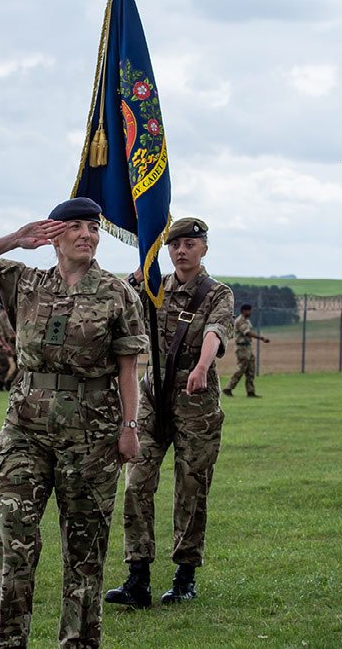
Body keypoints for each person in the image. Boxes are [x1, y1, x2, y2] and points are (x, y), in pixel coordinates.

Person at [0, 198, 146, 649]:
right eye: (76, 227)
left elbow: (127, 369)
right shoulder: (25, 282)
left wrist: (130, 427)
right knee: (12, 532)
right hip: (25, 428)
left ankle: (78, 642)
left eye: (93, 229)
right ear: (54, 234)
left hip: (91, 433)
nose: (87, 235)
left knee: (85, 551)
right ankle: (10, 641)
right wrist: (15, 240)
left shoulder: (118, 294)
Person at [106, 217, 234, 610]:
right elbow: (118, 309)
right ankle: (137, 576)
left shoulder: (217, 293)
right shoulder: (154, 287)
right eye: (175, 244)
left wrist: (201, 366)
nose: (181, 251)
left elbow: (215, 332)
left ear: (204, 249)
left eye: (190, 244)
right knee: (136, 483)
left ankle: (184, 575)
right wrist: (134, 280)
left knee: (191, 488)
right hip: (152, 397)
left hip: (195, 401)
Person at [223, 303, 269, 398]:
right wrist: (261, 338)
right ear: (244, 311)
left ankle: (250, 391)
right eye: (248, 310)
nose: (250, 312)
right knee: (241, 369)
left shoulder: (246, 321)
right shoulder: (240, 321)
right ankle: (228, 388)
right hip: (242, 348)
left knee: (251, 370)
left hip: (248, 347)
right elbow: (247, 333)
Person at [0, 308, 17, 391]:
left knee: (17, 365)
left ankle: (8, 382)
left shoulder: (8, 318)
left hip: (10, 344)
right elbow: (0, 335)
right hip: (2, 345)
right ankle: (0, 383)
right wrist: (6, 346)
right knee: (5, 365)